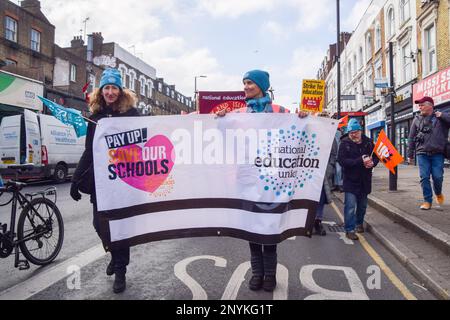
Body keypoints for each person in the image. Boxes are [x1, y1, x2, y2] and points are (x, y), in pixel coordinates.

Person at [217, 69, 307, 292]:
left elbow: (300, 131)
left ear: (261, 85)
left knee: (269, 230)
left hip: (271, 179)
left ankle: (270, 276)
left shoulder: (280, 110)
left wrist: (303, 116)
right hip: (246, 178)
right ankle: (257, 274)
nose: (246, 86)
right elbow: (222, 136)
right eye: (244, 83)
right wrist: (220, 120)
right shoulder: (239, 112)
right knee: (251, 229)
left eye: (250, 83)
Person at [70, 68, 140, 294]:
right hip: (101, 181)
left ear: (121, 91)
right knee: (99, 225)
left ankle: (121, 270)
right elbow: (88, 152)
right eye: (106, 88)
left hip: (124, 180)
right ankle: (113, 254)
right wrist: (76, 178)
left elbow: (146, 139)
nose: (110, 92)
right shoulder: (95, 117)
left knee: (120, 227)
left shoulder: (132, 114)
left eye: (114, 88)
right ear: (101, 91)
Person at [338, 118, 379, 241]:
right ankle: (349, 230)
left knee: (362, 206)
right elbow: (342, 161)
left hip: (364, 179)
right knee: (350, 206)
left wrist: (373, 163)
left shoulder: (369, 142)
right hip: (350, 180)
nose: (353, 135)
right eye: (351, 133)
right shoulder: (344, 143)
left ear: (360, 131)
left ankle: (359, 223)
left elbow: (376, 156)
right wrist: (359, 160)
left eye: (355, 132)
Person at [407, 96, 450, 210]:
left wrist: (443, 115)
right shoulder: (416, 119)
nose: (419, 107)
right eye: (419, 105)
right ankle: (427, 201)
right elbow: (411, 138)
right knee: (424, 177)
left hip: (437, 153)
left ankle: (438, 193)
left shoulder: (440, 117)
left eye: (422, 105)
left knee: (438, 177)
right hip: (422, 153)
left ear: (430, 105)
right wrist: (410, 155)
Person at [314, 112, 338, 236]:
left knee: (322, 198)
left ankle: (317, 222)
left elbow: (334, 153)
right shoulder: (310, 133)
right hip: (310, 172)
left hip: (324, 173)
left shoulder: (331, 136)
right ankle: (309, 222)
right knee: (311, 198)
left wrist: (330, 167)